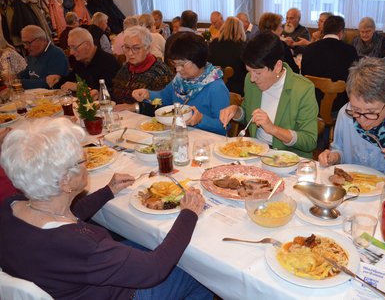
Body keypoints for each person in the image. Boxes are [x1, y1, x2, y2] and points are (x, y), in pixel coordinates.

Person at [0, 117, 211, 299]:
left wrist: (107, 191)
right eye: (82, 159)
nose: (86, 164)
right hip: (121, 294)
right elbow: (154, 269)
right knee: (198, 271)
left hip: (70, 283)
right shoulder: (82, 245)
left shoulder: (9, 208)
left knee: (149, 241)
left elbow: (66, 217)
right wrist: (189, 213)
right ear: (65, 181)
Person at [219, 32, 318, 158]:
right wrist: (236, 111)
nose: (252, 79)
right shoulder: (250, 81)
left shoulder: (302, 89)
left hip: (288, 160)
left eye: (258, 73)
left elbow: (309, 141)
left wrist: (273, 129)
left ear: (277, 66)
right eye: (249, 71)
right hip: (255, 153)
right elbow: (249, 116)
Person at [132, 32, 230, 136]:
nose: (178, 69)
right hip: (179, 135)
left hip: (205, 142)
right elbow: (164, 98)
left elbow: (224, 126)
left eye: (182, 65)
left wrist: (201, 119)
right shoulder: (180, 80)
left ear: (198, 59)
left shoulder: (215, 87)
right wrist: (148, 94)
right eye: (175, 64)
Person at [301, 15, 358, 112]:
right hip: (339, 106)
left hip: (311, 103)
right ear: (341, 32)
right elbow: (354, 80)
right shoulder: (350, 51)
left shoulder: (309, 49)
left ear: (324, 30)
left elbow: (303, 76)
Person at [112, 26, 174, 115]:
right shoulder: (126, 68)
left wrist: (134, 107)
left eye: (136, 48)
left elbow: (165, 106)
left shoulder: (160, 72)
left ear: (148, 48)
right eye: (127, 47)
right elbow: (116, 92)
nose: (130, 53)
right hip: (122, 118)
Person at [55, 27, 120, 95]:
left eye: (74, 47)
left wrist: (80, 87)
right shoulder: (80, 61)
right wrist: (58, 79)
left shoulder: (108, 61)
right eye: (70, 48)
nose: (71, 52)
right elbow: (69, 79)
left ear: (87, 45)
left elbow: (110, 90)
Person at [18, 25, 69, 89]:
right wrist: (12, 78)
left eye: (28, 43)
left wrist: (18, 83)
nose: (26, 47)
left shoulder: (56, 54)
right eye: (24, 43)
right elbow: (27, 73)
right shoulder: (33, 54)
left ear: (41, 40)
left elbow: (49, 84)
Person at [208, 17, 247, 95]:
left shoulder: (213, 44)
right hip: (237, 90)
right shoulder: (244, 47)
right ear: (240, 30)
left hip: (214, 86)